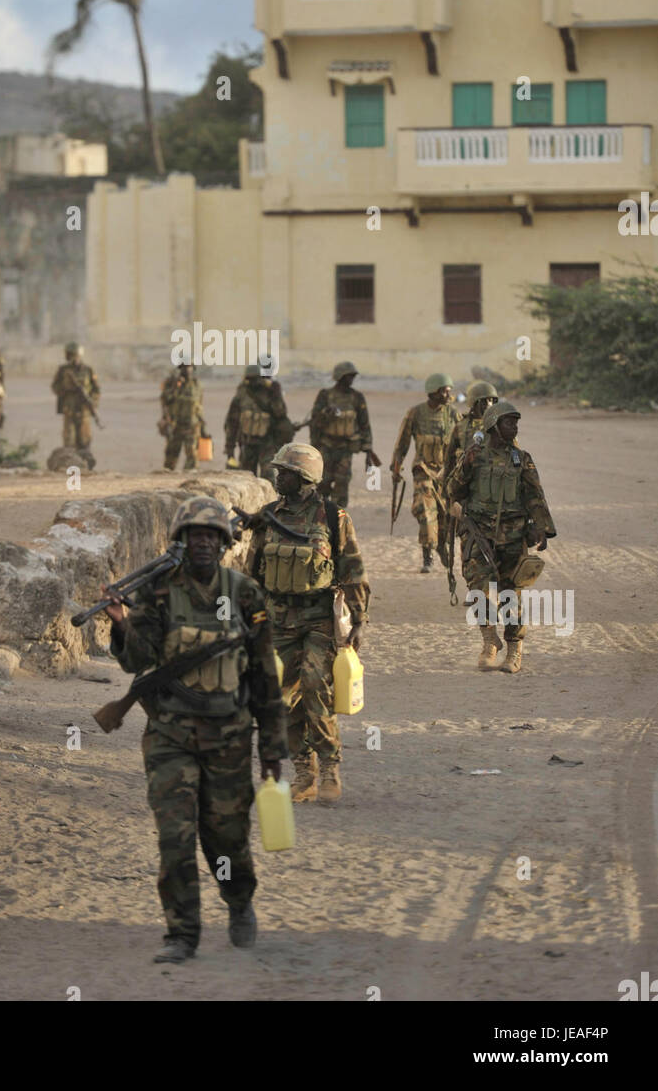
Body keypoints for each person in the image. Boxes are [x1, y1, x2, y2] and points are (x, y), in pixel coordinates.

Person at [103, 496, 287, 964]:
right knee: (175, 836)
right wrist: (123, 625)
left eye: (211, 536)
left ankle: (238, 898)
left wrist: (271, 749)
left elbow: (265, 676)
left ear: (224, 544)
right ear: (181, 541)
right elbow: (138, 660)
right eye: (194, 535)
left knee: (225, 838)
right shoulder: (158, 592)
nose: (203, 543)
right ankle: (181, 933)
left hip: (229, 737)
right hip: (170, 736)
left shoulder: (245, 594)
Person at [245, 443, 369, 804]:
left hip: (319, 621)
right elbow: (251, 575)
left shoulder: (333, 517)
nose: (276, 476)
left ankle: (330, 767)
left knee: (316, 686)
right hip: (277, 622)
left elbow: (353, 570)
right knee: (281, 700)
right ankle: (304, 770)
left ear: (303, 478)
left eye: (283, 471)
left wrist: (358, 621)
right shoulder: (267, 516)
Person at [445, 400, 557, 674]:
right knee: (477, 590)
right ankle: (488, 642)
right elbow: (453, 490)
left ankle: (514, 649)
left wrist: (540, 528)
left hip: (512, 534)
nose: (515, 427)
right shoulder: (474, 456)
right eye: (509, 422)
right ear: (494, 425)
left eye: (516, 422)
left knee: (510, 593)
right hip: (478, 533)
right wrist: (466, 465)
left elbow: (534, 496)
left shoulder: (522, 458)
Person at [391, 373, 458, 572]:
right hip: (423, 470)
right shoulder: (415, 413)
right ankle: (427, 557)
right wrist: (396, 467)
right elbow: (402, 443)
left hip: (447, 473)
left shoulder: (453, 414)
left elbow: (463, 442)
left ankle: (441, 546)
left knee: (446, 516)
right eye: (445, 390)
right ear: (434, 392)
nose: (448, 394)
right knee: (425, 512)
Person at [309, 361, 380, 507]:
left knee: (342, 483)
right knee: (323, 482)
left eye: (352, 376)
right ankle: (320, 516)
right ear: (340, 377)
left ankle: (338, 517)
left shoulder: (357, 398)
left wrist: (368, 450)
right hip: (326, 446)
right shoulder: (325, 395)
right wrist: (326, 414)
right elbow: (315, 422)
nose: (351, 379)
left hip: (346, 448)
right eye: (348, 376)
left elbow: (364, 424)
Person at [224, 365, 294, 482]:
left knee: (268, 477)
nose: (253, 382)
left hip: (267, 443)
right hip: (247, 443)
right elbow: (232, 422)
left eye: (256, 378)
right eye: (250, 379)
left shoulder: (270, 392)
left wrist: (276, 394)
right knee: (245, 478)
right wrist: (230, 449)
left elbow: (281, 413)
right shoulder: (242, 394)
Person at [51, 342, 100, 469]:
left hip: (84, 411)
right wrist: (66, 389)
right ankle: (71, 469)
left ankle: (86, 468)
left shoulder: (88, 370)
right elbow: (55, 387)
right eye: (70, 355)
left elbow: (96, 390)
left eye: (73, 355)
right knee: (69, 441)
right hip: (69, 410)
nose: (72, 357)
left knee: (84, 441)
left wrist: (92, 402)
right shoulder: (63, 370)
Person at [441, 380, 498, 487]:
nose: (488, 405)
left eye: (491, 400)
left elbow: (514, 454)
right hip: (466, 481)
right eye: (483, 401)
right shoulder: (461, 427)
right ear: (473, 403)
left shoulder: (499, 426)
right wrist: (446, 485)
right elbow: (449, 458)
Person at [159, 363, 209, 471]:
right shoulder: (172, 383)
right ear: (180, 369)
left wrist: (203, 427)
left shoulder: (197, 385)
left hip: (192, 426)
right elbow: (165, 400)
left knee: (192, 456)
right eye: (184, 367)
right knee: (170, 457)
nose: (187, 370)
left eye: (189, 367)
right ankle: (167, 481)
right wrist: (175, 387)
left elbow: (199, 407)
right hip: (175, 426)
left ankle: (188, 481)